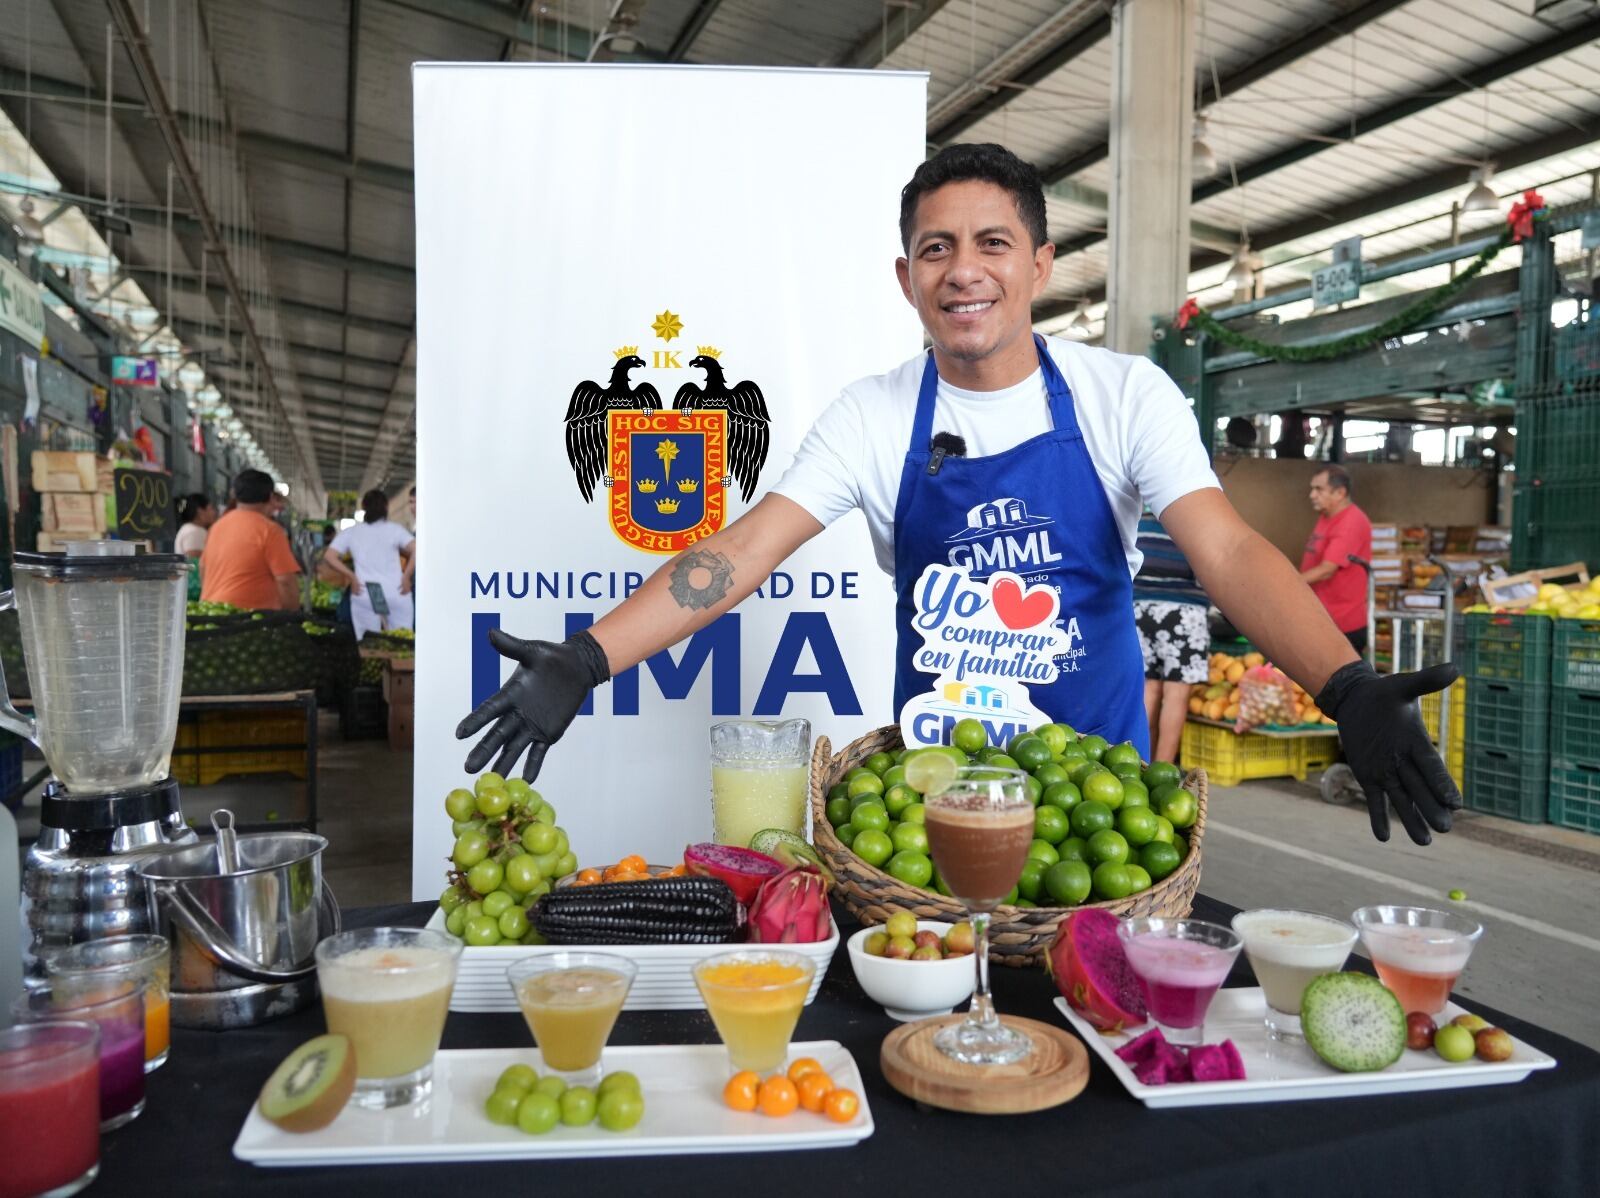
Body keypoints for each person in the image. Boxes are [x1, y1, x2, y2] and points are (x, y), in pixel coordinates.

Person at [457, 143, 1460, 846]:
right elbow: (741, 552)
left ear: (1039, 264)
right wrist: (590, 657)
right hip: (939, 797)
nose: (963, 270)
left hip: (1099, 801)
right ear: (905, 277)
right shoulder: (873, 414)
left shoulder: (1122, 396)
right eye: (936, 248)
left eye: (991, 243)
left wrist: (1345, 684)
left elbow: (1228, 551)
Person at [1132, 513, 1209, 764]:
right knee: (1176, 695)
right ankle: (1163, 771)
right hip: (1183, 613)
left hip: (1139, 610)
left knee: (1148, 689)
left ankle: (1139, 762)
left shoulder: (1138, 522)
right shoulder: (1193, 522)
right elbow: (1207, 572)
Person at [199, 469, 302, 610]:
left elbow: (203, 568)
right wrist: (291, 613)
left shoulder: (217, 526)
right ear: (270, 497)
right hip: (248, 618)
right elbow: (285, 581)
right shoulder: (270, 531)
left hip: (210, 612)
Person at [321, 489, 416, 640]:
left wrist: (351, 577)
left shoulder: (352, 532)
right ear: (386, 507)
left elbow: (329, 556)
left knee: (367, 642)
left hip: (365, 592)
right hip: (396, 591)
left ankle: (371, 661)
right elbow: (417, 550)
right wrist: (406, 576)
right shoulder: (395, 530)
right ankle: (399, 663)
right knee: (402, 641)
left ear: (364, 507)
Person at [1300, 465, 1373, 655]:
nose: (1312, 495)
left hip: (1342, 625)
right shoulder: (1327, 516)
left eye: (1319, 489)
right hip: (1323, 619)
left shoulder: (1350, 522)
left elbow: (1327, 569)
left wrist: (1288, 583)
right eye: (1312, 488)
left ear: (1340, 493)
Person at [174, 493, 215, 559]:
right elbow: (194, 563)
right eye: (211, 508)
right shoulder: (194, 531)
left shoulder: (189, 529)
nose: (214, 513)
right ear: (200, 512)